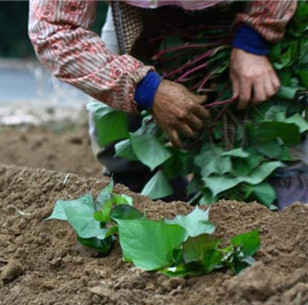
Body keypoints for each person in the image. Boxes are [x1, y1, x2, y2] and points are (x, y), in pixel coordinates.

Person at [28, 0, 305, 207]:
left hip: (244, 5)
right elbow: (52, 29)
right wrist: (147, 89)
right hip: (141, 11)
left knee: (278, 117)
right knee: (116, 136)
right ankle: (148, 204)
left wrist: (254, 40)